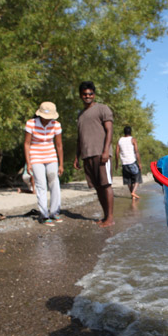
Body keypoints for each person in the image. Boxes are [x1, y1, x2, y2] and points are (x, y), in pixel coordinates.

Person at [74, 81, 115, 227]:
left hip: (101, 153)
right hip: (87, 155)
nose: (87, 96)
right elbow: (80, 137)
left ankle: (110, 218)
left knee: (106, 185)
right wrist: (76, 156)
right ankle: (105, 217)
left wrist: (105, 151)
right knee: (97, 187)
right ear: (80, 96)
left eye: (90, 93)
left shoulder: (102, 109)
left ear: (94, 94)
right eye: (84, 94)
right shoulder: (80, 115)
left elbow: (109, 130)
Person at [24, 101, 64, 226]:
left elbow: (59, 145)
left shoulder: (56, 125)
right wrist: (28, 162)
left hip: (51, 157)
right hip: (36, 157)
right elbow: (27, 144)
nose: (47, 120)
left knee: (54, 183)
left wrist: (61, 164)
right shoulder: (31, 123)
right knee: (41, 185)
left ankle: (54, 212)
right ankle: (44, 214)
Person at [115, 126, 143, 199]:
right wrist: (139, 163)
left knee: (128, 180)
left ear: (124, 132)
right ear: (130, 132)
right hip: (132, 162)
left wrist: (117, 163)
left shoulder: (120, 140)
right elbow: (136, 152)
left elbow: (117, 152)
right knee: (137, 178)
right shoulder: (132, 139)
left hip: (124, 164)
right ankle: (133, 192)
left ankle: (132, 195)